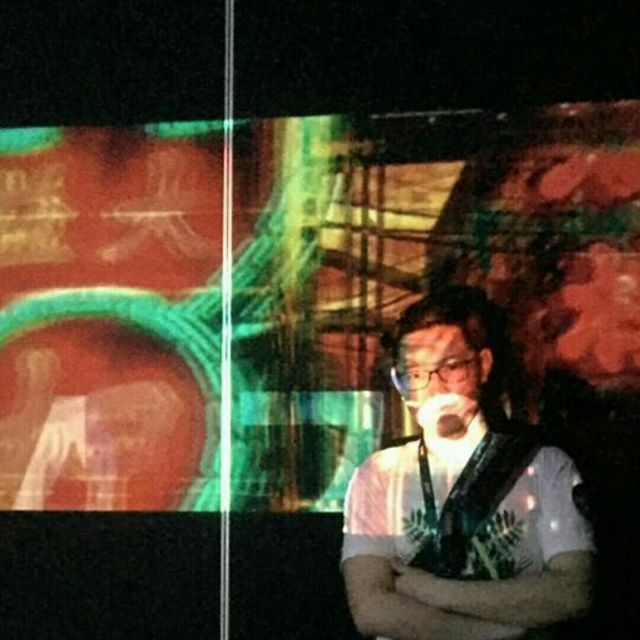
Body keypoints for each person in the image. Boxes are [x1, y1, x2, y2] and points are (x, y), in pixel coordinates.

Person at [341, 285, 595, 640]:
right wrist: (498, 635)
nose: (435, 387)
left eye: (451, 367)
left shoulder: (546, 466)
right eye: (415, 374)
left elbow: (573, 592)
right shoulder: (378, 474)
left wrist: (430, 590)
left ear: (483, 365)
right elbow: (372, 610)